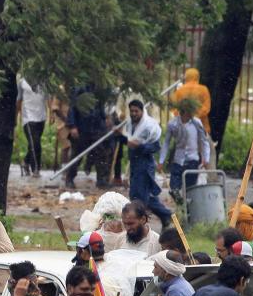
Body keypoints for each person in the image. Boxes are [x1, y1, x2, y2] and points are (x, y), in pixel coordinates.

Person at [124, 99, 174, 227]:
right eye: (132, 111)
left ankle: (140, 225)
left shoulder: (149, 127)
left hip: (145, 165)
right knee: (140, 196)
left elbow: (155, 146)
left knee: (140, 198)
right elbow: (127, 141)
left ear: (142, 111)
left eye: (136, 111)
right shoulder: (131, 125)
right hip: (135, 165)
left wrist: (139, 145)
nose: (134, 113)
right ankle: (166, 215)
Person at [158, 98, 209, 198]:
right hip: (178, 160)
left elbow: (204, 141)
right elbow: (166, 143)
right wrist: (161, 160)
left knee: (190, 190)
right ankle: (180, 205)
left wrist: (205, 158)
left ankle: (188, 210)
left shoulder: (197, 123)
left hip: (192, 160)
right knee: (174, 189)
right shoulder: (173, 124)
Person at [64, 86, 113, 189]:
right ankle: (69, 178)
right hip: (82, 127)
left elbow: (100, 107)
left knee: (100, 154)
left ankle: (101, 180)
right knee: (77, 154)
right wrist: (72, 126)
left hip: (96, 127)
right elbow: (72, 108)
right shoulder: (79, 89)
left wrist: (105, 119)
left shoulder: (99, 89)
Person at [16, 77, 46, 176]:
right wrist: (16, 116)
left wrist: (52, 114)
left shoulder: (44, 81)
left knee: (33, 144)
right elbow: (19, 100)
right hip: (28, 117)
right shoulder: (22, 82)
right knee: (36, 143)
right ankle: (35, 169)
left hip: (41, 117)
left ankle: (26, 161)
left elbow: (48, 98)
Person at [171, 68, 212, 138]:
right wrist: (196, 116)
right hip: (202, 126)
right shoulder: (204, 89)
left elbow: (174, 109)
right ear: (198, 77)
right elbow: (206, 108)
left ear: (186, 77)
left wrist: (185, 117)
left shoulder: (179, 91)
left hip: (184, 127)